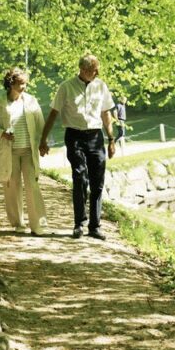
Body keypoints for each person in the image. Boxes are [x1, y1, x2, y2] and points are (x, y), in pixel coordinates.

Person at [39, 54, 116, 240]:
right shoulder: (66, 87)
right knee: (80, 176)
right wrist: (43, 139)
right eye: (93, 70)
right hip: (74, 136)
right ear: (82, 70)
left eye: (97, 69)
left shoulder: (101, 86)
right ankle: (78, 223)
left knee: (97, 181)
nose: (96, 73)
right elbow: (53, 114)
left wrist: (111, 138)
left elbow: (106, 113)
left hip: (95, 136)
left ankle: (95, 226)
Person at [0, 67, 48, 235]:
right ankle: (18, 223)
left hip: (28, 150)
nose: (23, 87)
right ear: (11, 83)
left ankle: (38, 225)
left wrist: (44, 143)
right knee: (12, 186)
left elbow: (41, 124)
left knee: (32, 185)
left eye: (25, 84)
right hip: (10, 151)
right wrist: (2, 134)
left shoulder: (31, 101)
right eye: (20, 84)